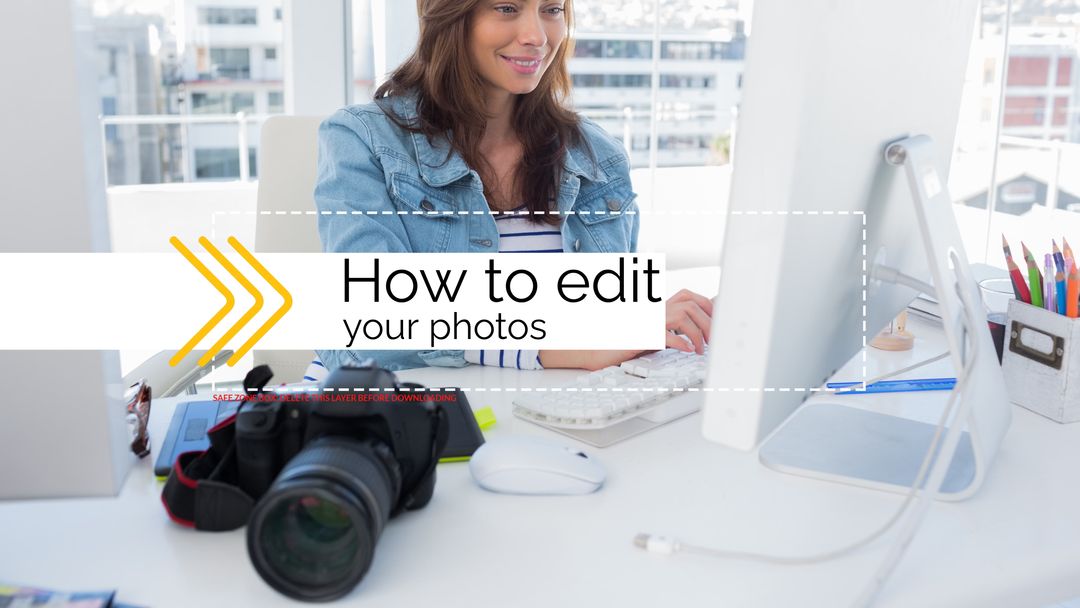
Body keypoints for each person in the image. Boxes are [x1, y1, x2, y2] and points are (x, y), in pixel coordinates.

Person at [311, 0, 712, 376]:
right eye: (507, 8)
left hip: (545, 409)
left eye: (551, 9)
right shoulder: (361, 138)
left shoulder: (598, 155)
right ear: (450, 14)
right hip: (387, 412)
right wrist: (554, 348)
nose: (537, 36)